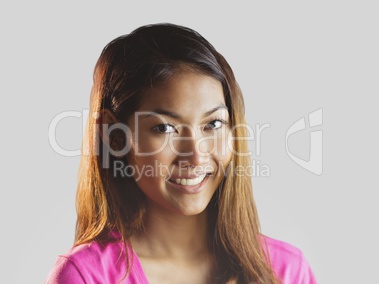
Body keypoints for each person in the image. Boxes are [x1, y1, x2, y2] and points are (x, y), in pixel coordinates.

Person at [45, 23, 317, 284]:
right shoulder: (85, 277)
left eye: (213, 124)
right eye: (165, 128)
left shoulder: (287, 271)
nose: (196, 157)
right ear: (115, 135)